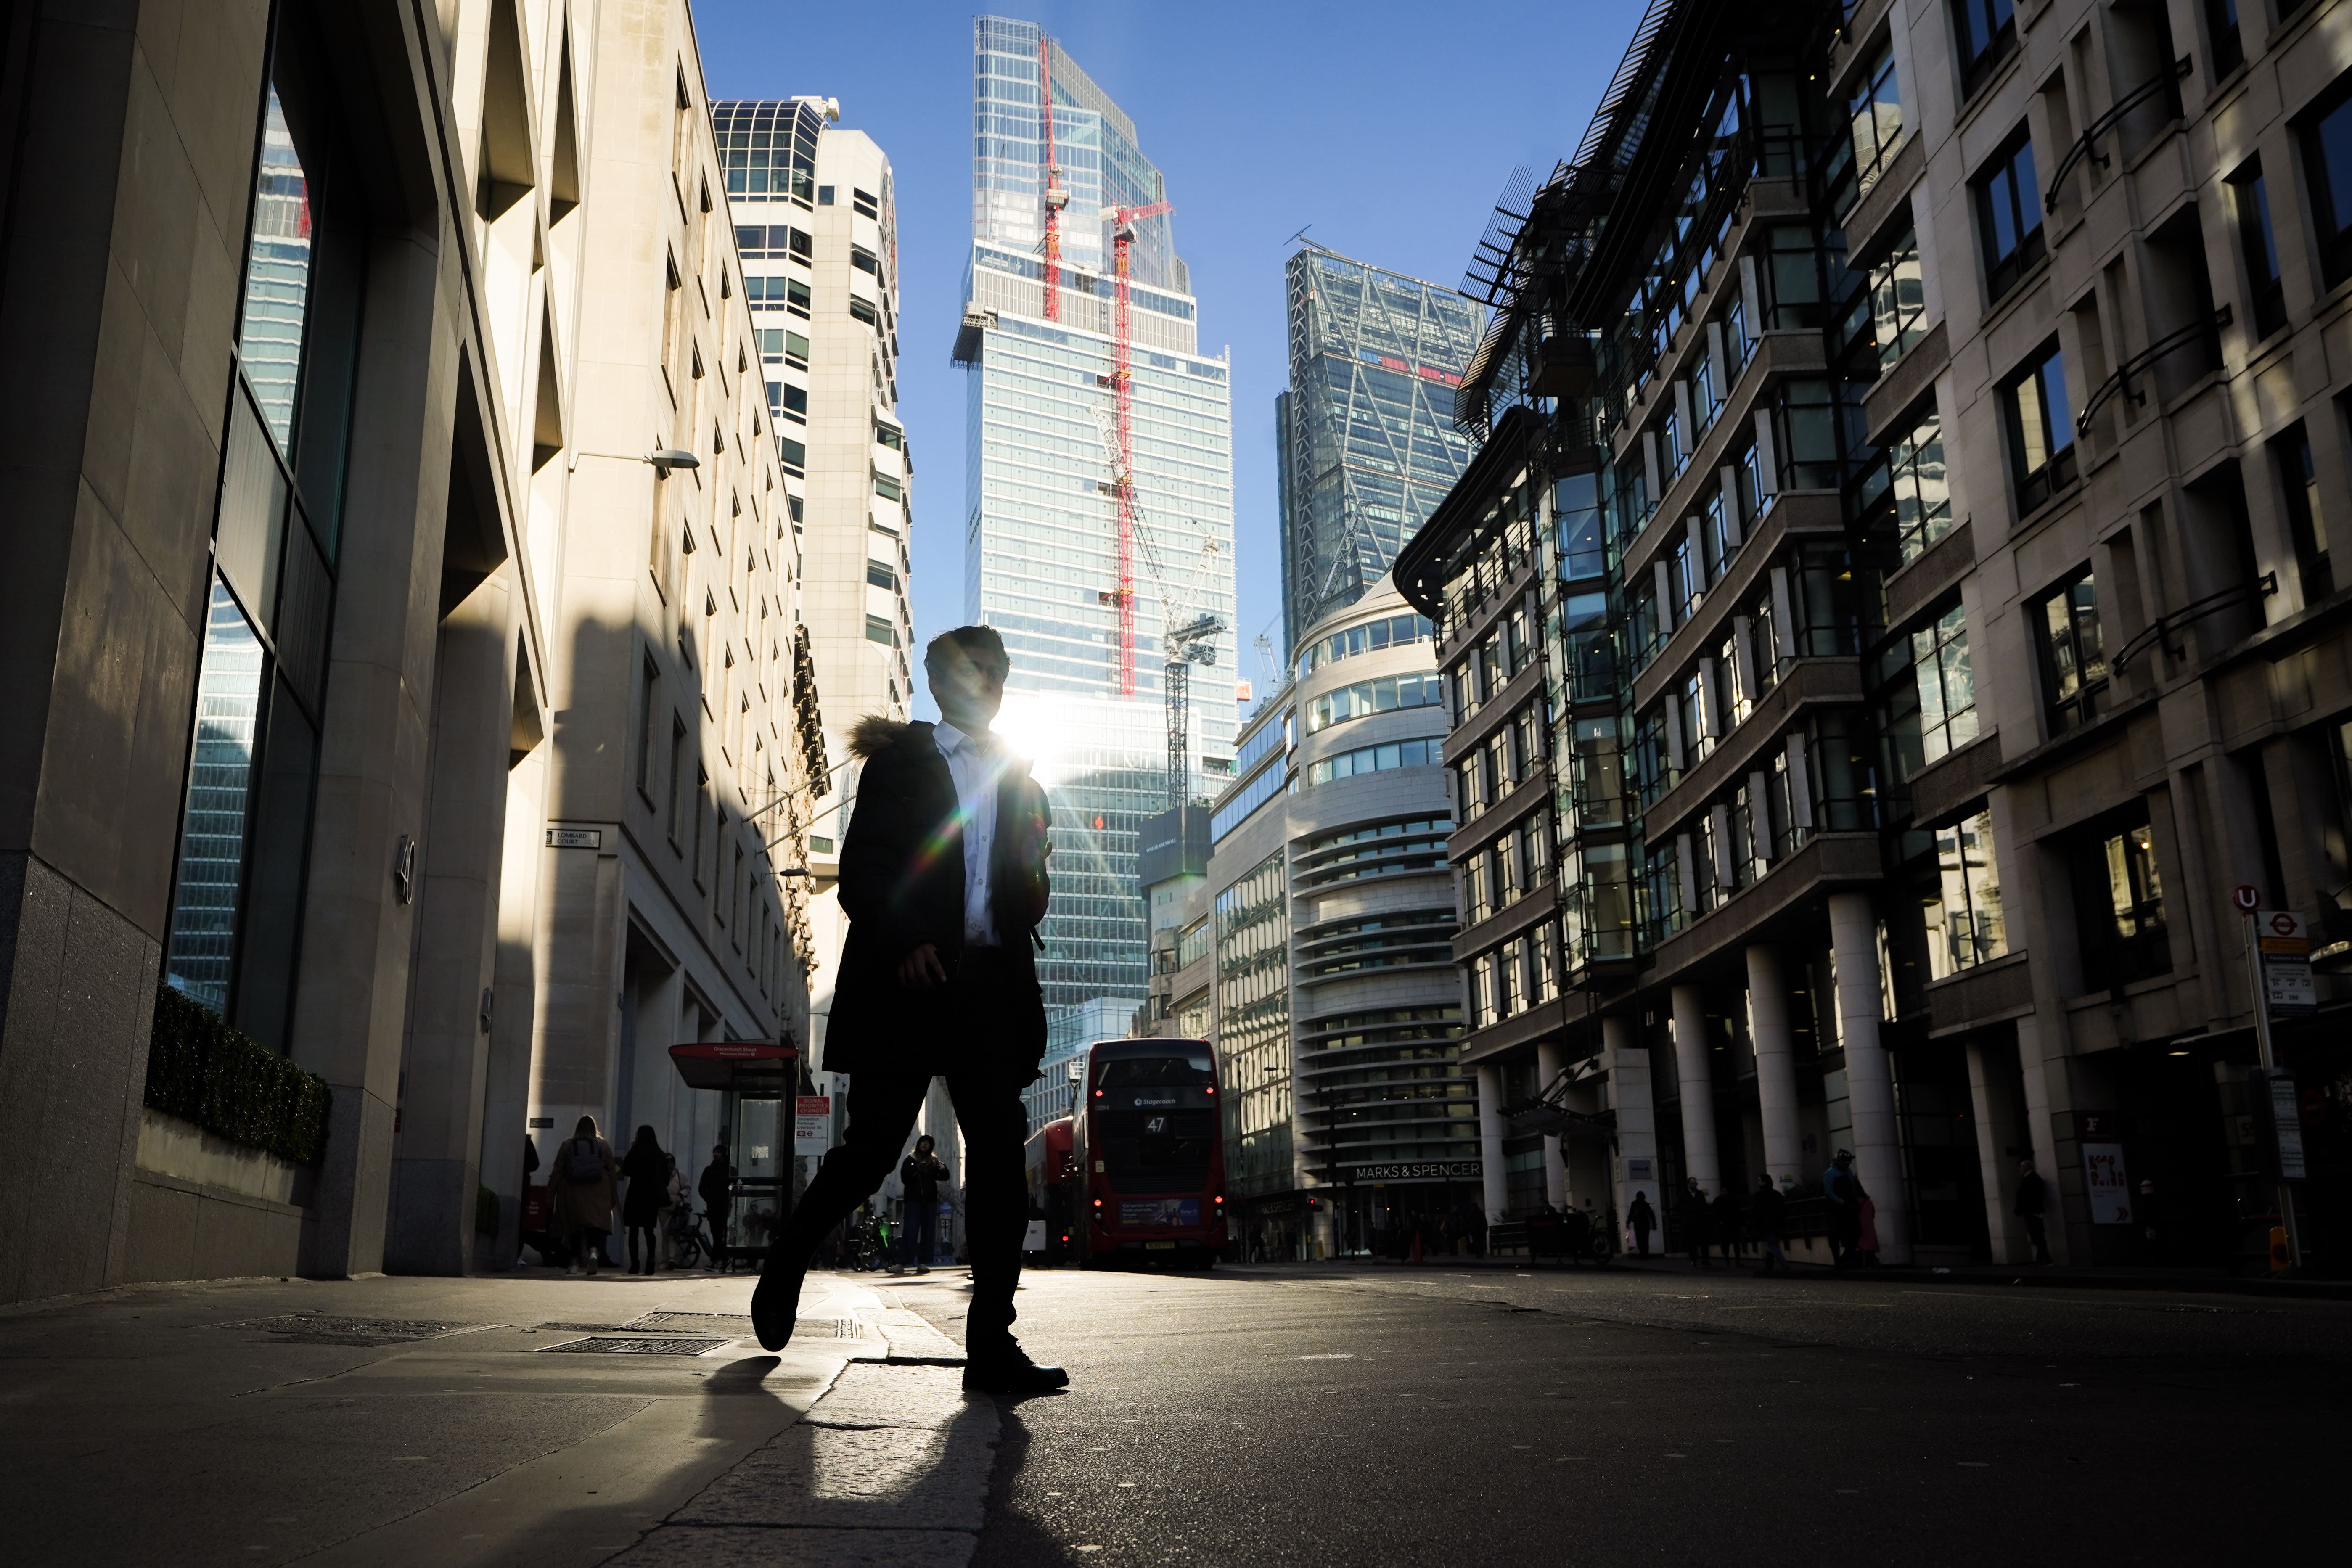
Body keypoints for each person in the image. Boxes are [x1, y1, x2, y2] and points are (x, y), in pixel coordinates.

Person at [749, 626, 1066, 1394]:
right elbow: (865, 872)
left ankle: (992, 1344)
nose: (987, 679)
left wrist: (1034, 856)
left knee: (997, 1156)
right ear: (938, 681)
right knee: (871, 1150)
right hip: (911, 980)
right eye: (972, 668)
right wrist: (905, 940)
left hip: (991, 984)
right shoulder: (899, 764)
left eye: (998, 668)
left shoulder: (1023, 777)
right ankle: (787, 1256)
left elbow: (1024, 895)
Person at [549, 1115, 617, 1274]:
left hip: (572, 1190)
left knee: (573, 1227)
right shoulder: (603, 1145)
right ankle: (594, 1252)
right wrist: (613, 1195)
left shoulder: (568, 1145)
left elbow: (557, 1170)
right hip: (598, 1191)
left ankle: (574, 1264)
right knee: (593, 1225)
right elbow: (612, 1171)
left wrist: (551, 1194)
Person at [618, 1126, 669, 1276]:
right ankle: (651, 1262)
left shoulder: (636, 1151)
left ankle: (635, 1264)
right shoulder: (659, 1154)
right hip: (651, 1196)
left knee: (633, 1230)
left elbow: (625, 1170)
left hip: (635, 1193)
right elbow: (666, 1177)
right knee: (649, 1231)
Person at [900, 1134, 949, 1272]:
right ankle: (903, 1262)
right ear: (919, 1144)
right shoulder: (910, 1160)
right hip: (913, 1202)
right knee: (910, 1231)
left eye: (928, 1144)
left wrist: (938, 1163)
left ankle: (923, 1263)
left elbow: (946, 1176)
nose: (925, 1145)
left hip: (930, 1203)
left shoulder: (933, 1163)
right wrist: (917, 1171)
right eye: (923, 1143)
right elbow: (904, 1177)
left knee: (928, 1233)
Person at [1823, 1150, 1861, 1268]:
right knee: (1835, 1236)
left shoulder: (1848, 1172)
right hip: (1836, 1209)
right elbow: (1829, 1192)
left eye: (1848, 1163)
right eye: (1845, 1163)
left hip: (1848, 1207)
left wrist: (1856, 1201)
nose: (1847, 1165)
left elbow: (1853, 1188)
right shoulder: (1831, 1173)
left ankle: (1844, 1259)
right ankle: (1838, 1262)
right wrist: (1842, 1202)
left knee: (1856, 1233)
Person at [698, 1145, 733, 1261]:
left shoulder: (729, 1170)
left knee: (720, 1235)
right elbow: (702, 1189)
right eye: (715, 1152)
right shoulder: (709, 1170)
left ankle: (714, 1260)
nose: (716, 1154)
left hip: (724, 1206)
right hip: (714, 1206)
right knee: (717, 1234)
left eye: (718, 1152)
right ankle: (724, 1258)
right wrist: (710, 1199)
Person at [2015, 1158, 2052, 1264]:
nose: (2020, 1170)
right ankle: (2041, 1259)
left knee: (2036, 1236)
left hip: (2032, 1211)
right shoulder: (2035, 1179)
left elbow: (2027, 1196)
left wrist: (2021, 1208)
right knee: (2038, 1235)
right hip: (2035, 1210)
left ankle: (2046, 1259)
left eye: (2022, 1167)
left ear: (2026, 1168)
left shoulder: (2030, 1179)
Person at [1751, 1173, 1788, 1274]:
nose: (1758, 1182)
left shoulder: (1759, 1196)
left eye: (1759, 1180)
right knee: (1772, 1245)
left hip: (1765, 1224)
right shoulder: (1776, 1195)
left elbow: (1756, 1212)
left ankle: (1785, 1265)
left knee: (1772, 1246)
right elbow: (1782, 1210)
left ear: (1764, 1182)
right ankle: (1769, 1266)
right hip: (1776, 1223)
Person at [1679, 1177, 1713, 1267]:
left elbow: (1704, 1205)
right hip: (1690, 1221)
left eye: (1695, 1184)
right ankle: (1694, 1259)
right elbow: (1679, 1207)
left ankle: (1705, 1259)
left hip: (1700, 1221)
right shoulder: (1683, 1194)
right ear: (1689, 1184)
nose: (1695, 1185)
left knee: (1703, 1241)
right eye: (1693, 1183)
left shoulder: (1699, 1194)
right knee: (1691, 1242)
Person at [1711, 1182, 1744, 1264]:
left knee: (1729, 1243)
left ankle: (1731, 1259)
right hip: (1728, 1224)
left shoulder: (1721, 1200)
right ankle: (1732, 1259)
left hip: (1729, 1224)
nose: (1724, 1193)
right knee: (1729, 1243)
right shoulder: (1729, 1200)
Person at [1627, 1190, 1656, 1257]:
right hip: (1646, 1223)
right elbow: (1651, 1215)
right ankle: (1646, 1253)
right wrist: (1654, 1224)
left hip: (1638, 1223)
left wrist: (1628, 1222)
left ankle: (1642, 1252)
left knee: (1639, 1238)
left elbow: (1631, 1214)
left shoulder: (1634, 1204)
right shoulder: (1646, 1204)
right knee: (1645, 1238)